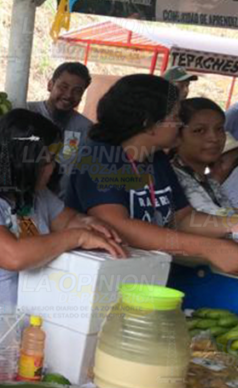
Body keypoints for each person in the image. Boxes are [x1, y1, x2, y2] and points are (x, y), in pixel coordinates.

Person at [0, 110, 124, 358]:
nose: (54, 168)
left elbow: (69, 220)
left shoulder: (34, 195)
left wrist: (89, 223)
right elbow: (13, 256)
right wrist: (78, 237)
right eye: (48, 160)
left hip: (8, 334)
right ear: (23, 161)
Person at [65, 74, 238, 273]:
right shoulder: (101, 157)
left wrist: (232, 224)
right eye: (175, 117)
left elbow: (182, 219)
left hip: (147, 271)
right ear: (149, 123)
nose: (181, 124)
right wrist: (207, 247)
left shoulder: (156, 159)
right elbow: (117, 225)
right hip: (99, 276)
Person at [24, 62, 94, 197]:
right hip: (21, 198)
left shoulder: (85, 128)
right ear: (50, 85)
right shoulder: (27, 112)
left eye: (77, 91)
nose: (68, 95)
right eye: (63, 87)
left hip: (60, 205)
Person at [170, 98, 238, 219]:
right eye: (199, 130)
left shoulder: (210, 183)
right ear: (176, 136)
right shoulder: (170, 179)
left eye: (219, 129)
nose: (214, 138)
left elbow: (224, 216)